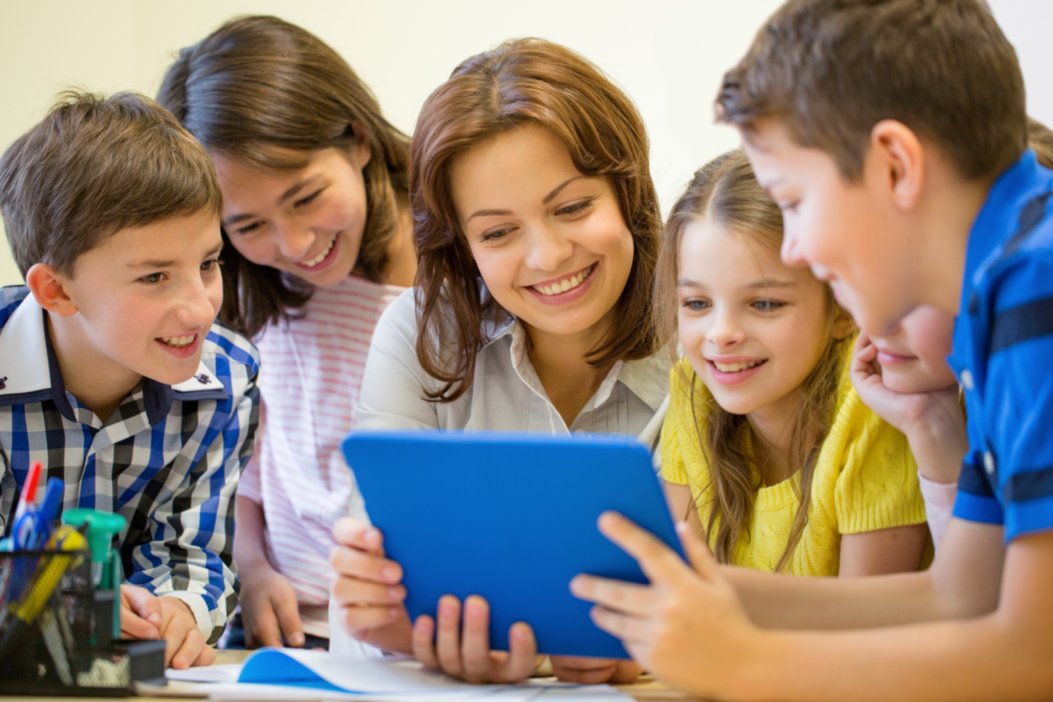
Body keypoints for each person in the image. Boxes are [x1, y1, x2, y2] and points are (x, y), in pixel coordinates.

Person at [569, 0, 1053, 699]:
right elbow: (960, 597)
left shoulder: (1033, 283)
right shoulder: (992, 297)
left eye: (793, 201)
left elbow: (1035, 657)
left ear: (894, 165)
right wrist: (677, 595)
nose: (795, 248)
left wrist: (743, 664)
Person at [329, 38, 671, 684]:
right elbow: (372, 601)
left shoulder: (708, 334)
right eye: (497, 232)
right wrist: (398, 624)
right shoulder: (417, 332)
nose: (546, 256)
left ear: (627, 192)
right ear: (462, 246)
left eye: (572, 207)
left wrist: (645, 654)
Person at [158, 15, 415, 649]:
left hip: (418, 631)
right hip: (285, 628)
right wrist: (250, 564)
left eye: (305, 197)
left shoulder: (460, 262)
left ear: (357, 140)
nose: (295, 245)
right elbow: (243, 448)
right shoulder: (238, 283)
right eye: (248, 225)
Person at [0, 91, 259, 669]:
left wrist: (178, 610)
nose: (199, 308)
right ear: (57, 291)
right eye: (154, 277)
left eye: (208, 264)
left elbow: (193, 549)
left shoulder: (226, 378)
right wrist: (72, 604)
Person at [658, 149, 927, 576]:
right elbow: (678, 585)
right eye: (697, 302)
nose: (720, 333)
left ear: (842, 309)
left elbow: (861, 629)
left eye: (764, 303)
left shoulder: (875, 407)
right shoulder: (693, 390)